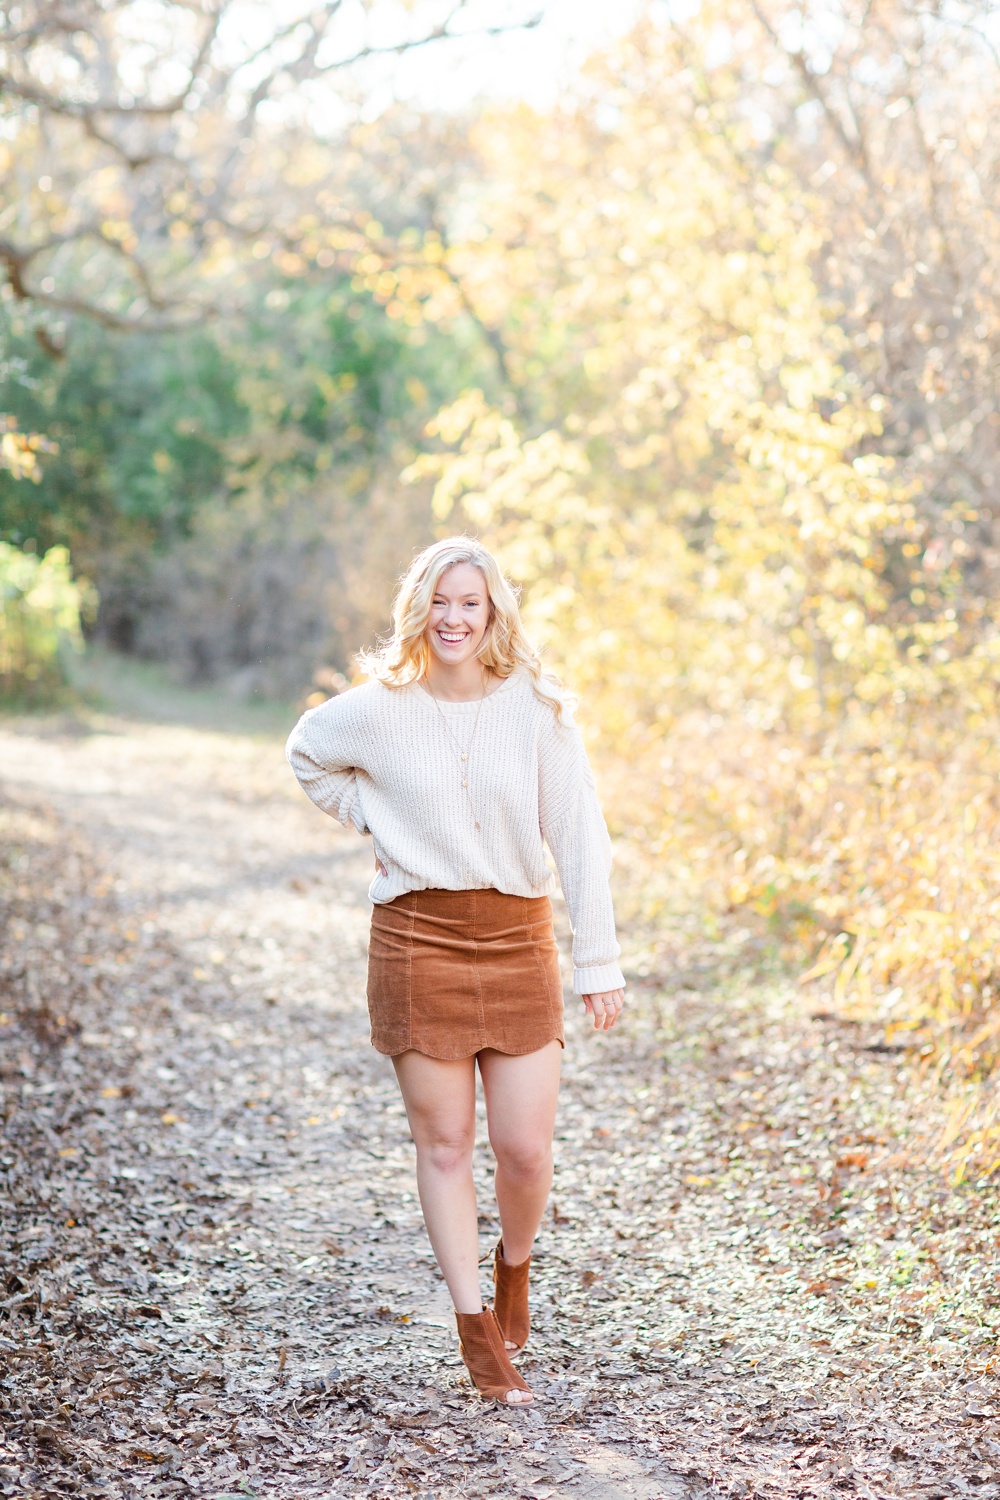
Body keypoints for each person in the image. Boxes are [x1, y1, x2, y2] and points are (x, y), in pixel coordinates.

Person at [285, 537, 624, 1406]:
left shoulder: (536, 710)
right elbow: (306, 753)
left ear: (493, 612)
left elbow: (579, 834)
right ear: (419, 610)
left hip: (517, 939)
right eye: (440, 601)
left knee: (524, 1148)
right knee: (443, 1145)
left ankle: (514, 1269)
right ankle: (476, 1332)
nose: (454, 618)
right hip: (416, 940)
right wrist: (376, 813)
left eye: (470, 603)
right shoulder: (380, 708)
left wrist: (599, 960)